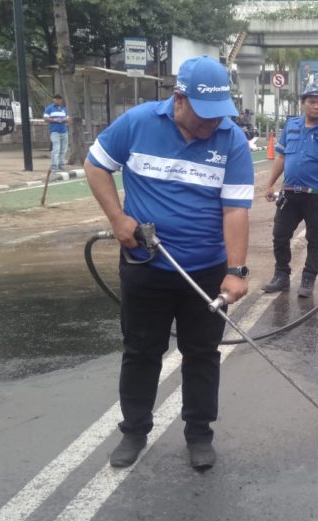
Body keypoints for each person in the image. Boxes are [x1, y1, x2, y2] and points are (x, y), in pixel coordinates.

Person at [84, 55, 254, 471]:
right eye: (204, 115)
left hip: (206, 270)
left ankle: (198, 433)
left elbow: (235, 211)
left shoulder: (230, 139)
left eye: (219, 116)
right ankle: (134, 432)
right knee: (142, 351)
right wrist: (117, 218)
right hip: (146, 267)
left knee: (202, 353)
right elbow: (95, 165)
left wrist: (235, 271)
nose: (212, 124)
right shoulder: (138, 123)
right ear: (179, 99)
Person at [262, 86, 318, 298]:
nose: (316, 106)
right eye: (311, 101)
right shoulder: (291, 126)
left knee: (314, 237)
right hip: (289, 194)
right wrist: (270, 183)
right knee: (279, 236)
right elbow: (281, 157)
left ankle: (309, 277)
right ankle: (281, 275)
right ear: (303, 103)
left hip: (316, 195)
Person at [43, 94, 70, 171]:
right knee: (56, 148)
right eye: (56, 99)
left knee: (63, 149)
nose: (58, 100)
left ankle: (61, 165)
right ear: (53, 100)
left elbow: (68, 119)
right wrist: (55, 120)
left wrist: (63, 120)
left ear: (61, 100)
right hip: (55, 131)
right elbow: (45, 118)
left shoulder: (63, 109)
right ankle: (54, 166)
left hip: (64, 131)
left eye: (59, 99)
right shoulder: (49, 108)